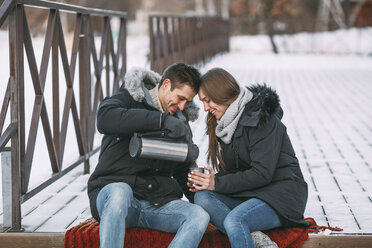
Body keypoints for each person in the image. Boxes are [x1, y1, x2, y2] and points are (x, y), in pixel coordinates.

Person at [88, 63, 210, 248]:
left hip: (156, 203)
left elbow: (182, 168)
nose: (182, 106)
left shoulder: (180, 121)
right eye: (180, 98)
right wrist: (161, 121)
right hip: (115, 199)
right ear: (166, 84)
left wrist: (204, 194)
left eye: (187, 101)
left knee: (199, 215)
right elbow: (104, 118)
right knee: (120, 191)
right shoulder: (130, 98)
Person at [188, 68, 309, 248]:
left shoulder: (262, 120)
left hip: (281, 195)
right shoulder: (226, 124)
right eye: (202, 102)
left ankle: (244, 233)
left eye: (208, 100)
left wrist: (217, 183)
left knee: (234, 221)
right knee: (203, 196)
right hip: (252, 192)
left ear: (221, 93)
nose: (206, 108)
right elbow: (237, 171)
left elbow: (262, 173)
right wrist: (211, 180)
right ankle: (256, 239)